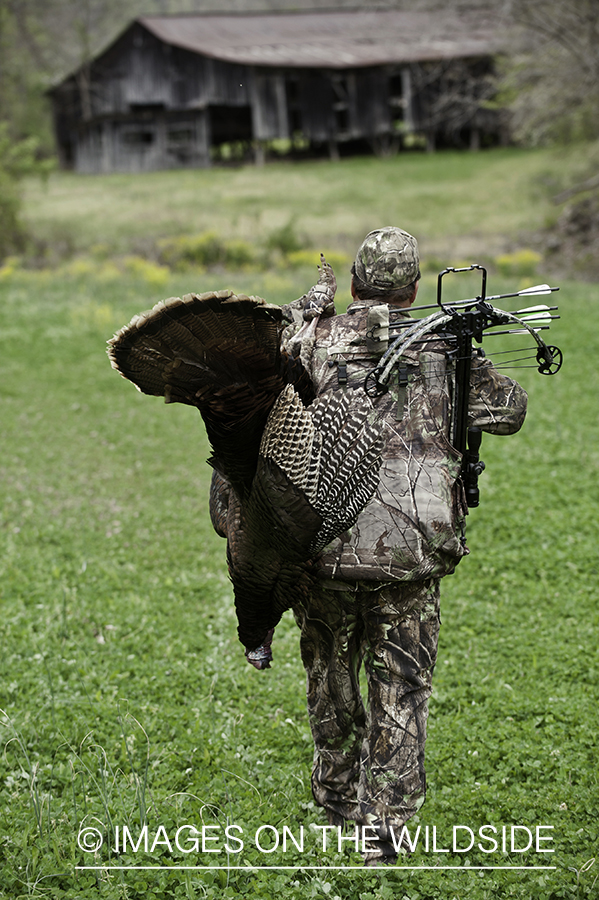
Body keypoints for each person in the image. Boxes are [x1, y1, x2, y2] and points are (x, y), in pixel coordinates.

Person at [282, 227, 528, 866]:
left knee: (330, 678)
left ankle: (336, 802)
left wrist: (309, 317)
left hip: (324, 551)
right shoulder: (446, 350)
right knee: (402, 686)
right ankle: (381, 832)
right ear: (416, 289)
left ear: (357, 282)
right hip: (411, 556)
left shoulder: (314, 342)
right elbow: (508, 411)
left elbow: (268, 397)